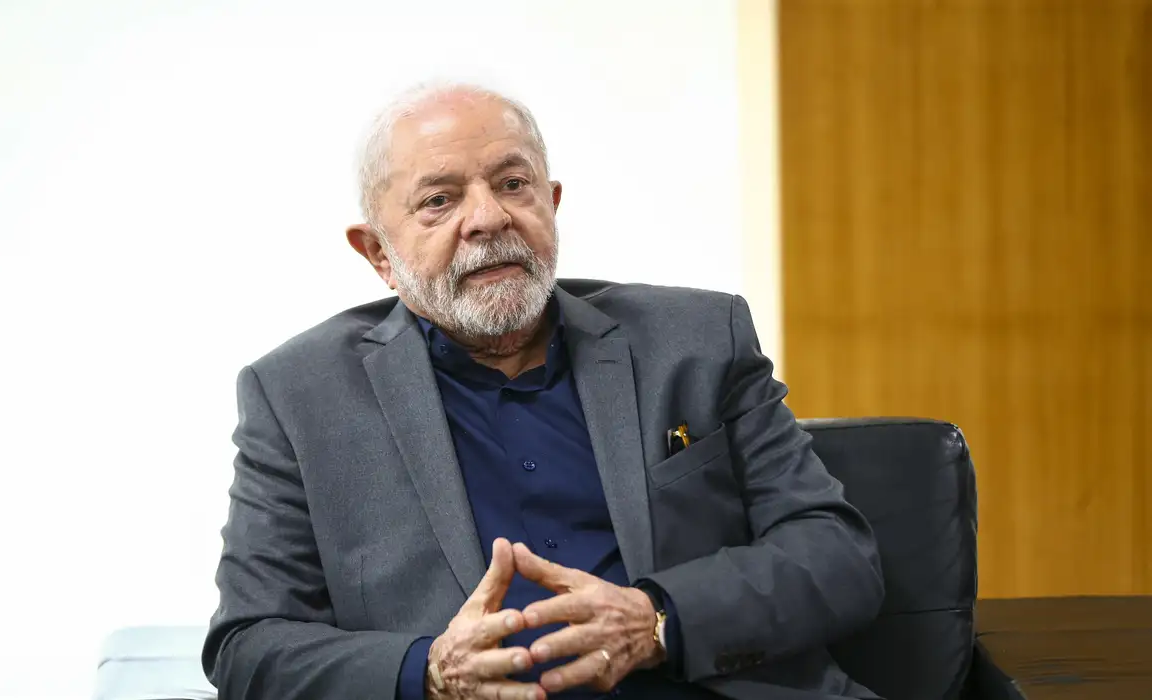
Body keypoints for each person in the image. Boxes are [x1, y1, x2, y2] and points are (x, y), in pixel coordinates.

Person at [203, 83, 885, 700]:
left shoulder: (698, 340)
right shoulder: (298, 397)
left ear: (551, 204)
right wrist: (430, 673)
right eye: (439, 200)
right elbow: (249, 646)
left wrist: (656, 619)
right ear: (379, 253)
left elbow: (837, 555)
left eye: (512, 184)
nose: (488, 217)